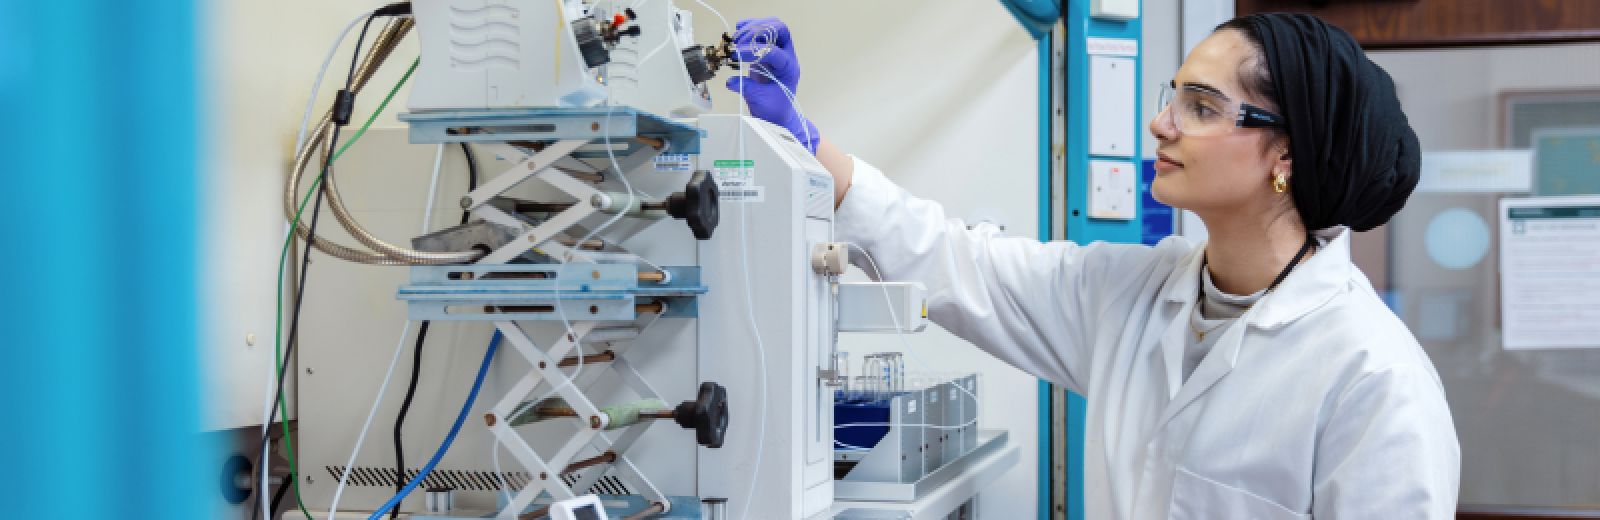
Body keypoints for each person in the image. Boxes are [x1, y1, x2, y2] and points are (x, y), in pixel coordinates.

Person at [725, 12, 1460, 519]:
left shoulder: (1375, 381)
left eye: (1201, 107)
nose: (1161, 122)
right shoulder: (1134, 293)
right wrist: (803, 139)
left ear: (1286, 155)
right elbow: (957, 260)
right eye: (1174, 96)